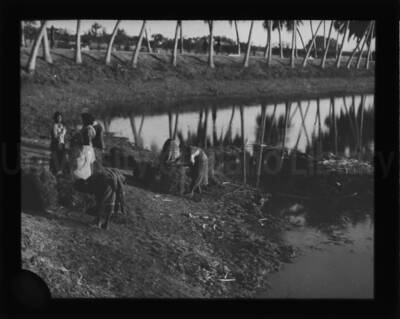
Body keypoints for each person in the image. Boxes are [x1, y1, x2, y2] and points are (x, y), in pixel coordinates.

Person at [50, 111, 67, 176]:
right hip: (56, 143)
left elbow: (64, 135)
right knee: (56, 157)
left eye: (60, 117)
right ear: (56, 118)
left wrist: (62, 132)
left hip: (62, 143)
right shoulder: (55, 125)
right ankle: (56, 171)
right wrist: (62, 132)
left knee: (62, 157)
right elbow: (55, 136)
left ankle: (60, 171)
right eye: (58, 117)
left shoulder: (63, 125)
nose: (59, 118)